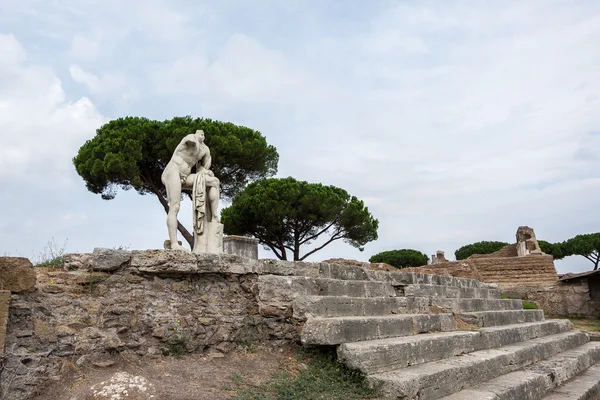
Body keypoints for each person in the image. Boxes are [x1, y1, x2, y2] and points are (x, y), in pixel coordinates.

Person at [161, 129, 219, 251]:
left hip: (186, 176)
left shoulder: (205, 150)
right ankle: (174, 244)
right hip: (173, 171)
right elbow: (189, 141)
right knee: (175, 206)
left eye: (203, 134)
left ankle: (214, 217)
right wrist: (195, 140)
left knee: (214, 181)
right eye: (200, 133)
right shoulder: (190, 138)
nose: (202, 135)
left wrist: (205, 169)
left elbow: (204, 166)